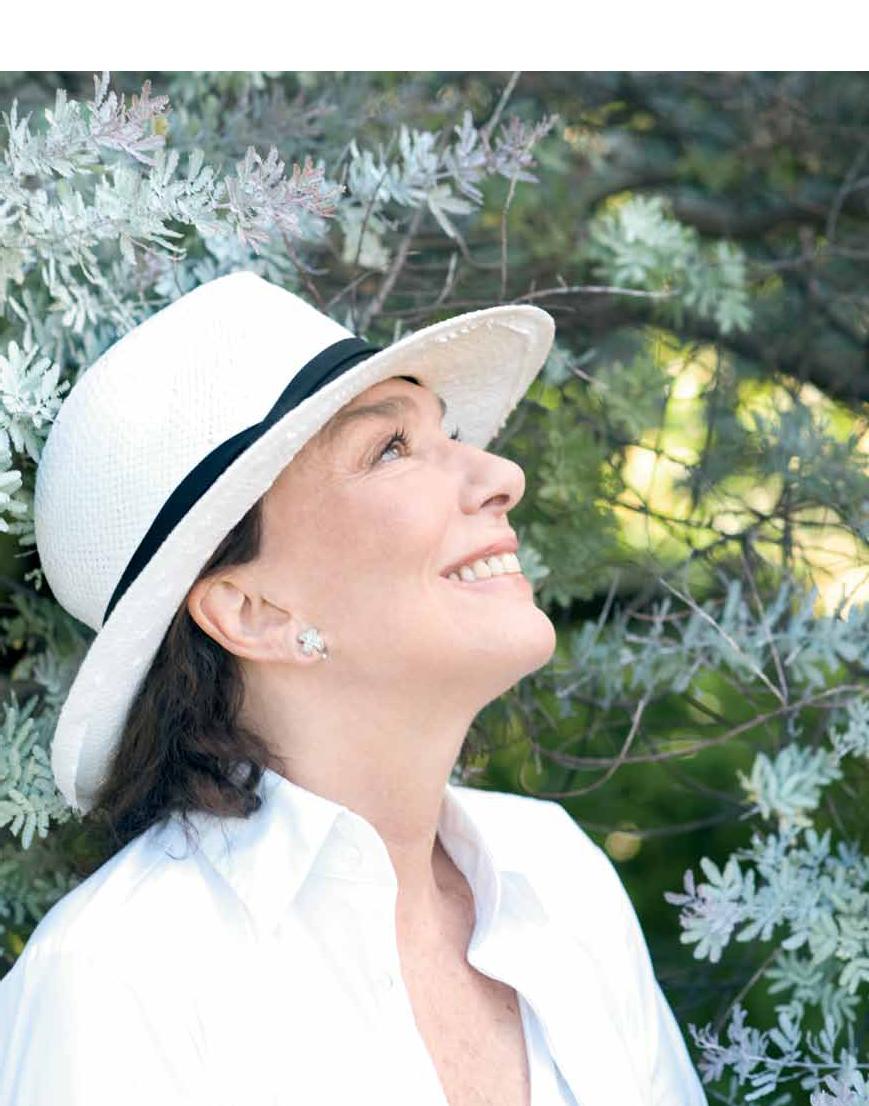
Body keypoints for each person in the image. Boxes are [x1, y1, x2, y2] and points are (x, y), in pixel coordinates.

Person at [0, 271, 709, 1105]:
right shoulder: (118, 980)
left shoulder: (555, 874)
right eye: (391, 449)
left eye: (447, 433)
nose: (501, 474)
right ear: (253, 612)